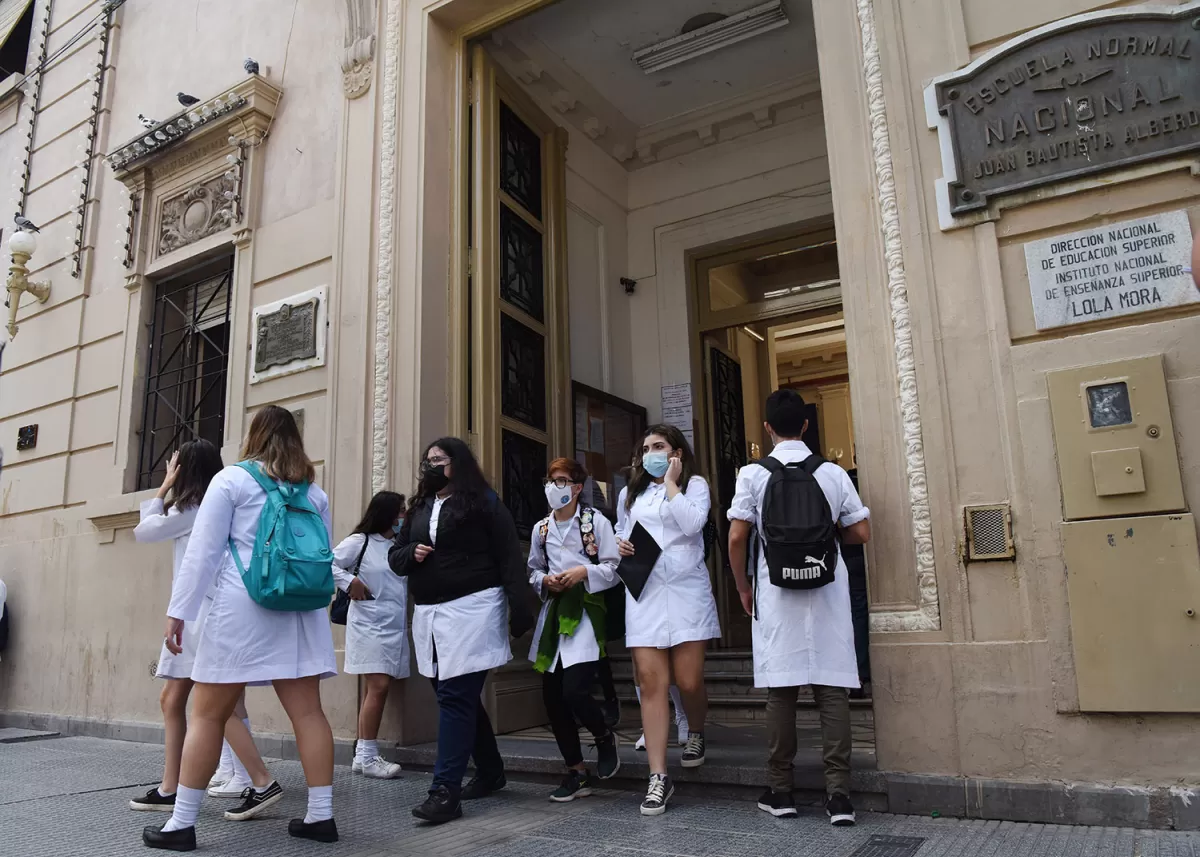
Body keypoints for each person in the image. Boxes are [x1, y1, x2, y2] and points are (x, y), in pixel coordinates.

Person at [142, 406, 339, 850]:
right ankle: (321, 816)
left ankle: (182, 824)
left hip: (242, 608)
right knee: (309, 713)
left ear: (253, 435)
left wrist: (179, 612)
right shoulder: (314, 492)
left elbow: (203, 554)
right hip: (300, 611)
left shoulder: (231, 480)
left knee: (208, 713)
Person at [726, 389, 871, 825]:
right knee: (833, 689)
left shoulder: (753, 475)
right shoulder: (832, 473)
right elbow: (861, 532)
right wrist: (824, 540)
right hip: (826, 586)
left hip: (775, 587)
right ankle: (839, 796)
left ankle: (781, 790)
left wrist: (744, 587)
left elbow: (736, 537)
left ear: (767, 428)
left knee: (781, 691)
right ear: (806, 425)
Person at [390, 438, 534, 825]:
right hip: (430, 615)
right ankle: (490, 770)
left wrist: (521, 610)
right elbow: (396, 556)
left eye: (440, 459)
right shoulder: (420, 505)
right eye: (428, 460)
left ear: (460, 463)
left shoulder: (484, 502)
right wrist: (412, 551)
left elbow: (508, 556)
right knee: (453, 694)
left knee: (456, 695)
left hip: (474, 609)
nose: (432, 465)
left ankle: (445, 791)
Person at [128, 441, 277, 816]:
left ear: (184, 470)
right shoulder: (220, 503)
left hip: (197, 616)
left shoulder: (192, 508)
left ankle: (257, 779)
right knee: (195, 701)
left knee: (210, 705)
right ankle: (209, 781)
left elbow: (144, 531)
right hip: (210, 611)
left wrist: (164, 485)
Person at [616, 424, 719, 816]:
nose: (650, 454)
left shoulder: (695, 485)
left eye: (658, 446)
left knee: (689, 679)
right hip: (645, 593)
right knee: (651, 682)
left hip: (686, 591)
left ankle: (695, 731)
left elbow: (693, 524)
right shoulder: (631, 493)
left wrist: (673, 483)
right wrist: (620, 545)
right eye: (645, 448)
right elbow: (621, 537)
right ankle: (658, 776)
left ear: (676, 451)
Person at [528, 457, 622, 801]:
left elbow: (612, 566)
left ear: (578, 487)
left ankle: (602, 735)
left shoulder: (595, 522)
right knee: (552, 699)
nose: (556, 487)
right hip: (554, 616)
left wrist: (584, 572)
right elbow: (533, 570)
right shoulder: (541, 529)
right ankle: (576, 772)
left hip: (584, 612)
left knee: (575, 690)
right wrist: (545, 581)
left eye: (563, 480)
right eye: (551, 480)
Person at [333, 490, 410, 780]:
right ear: (388, 514)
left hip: (393, 627)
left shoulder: (398, 546)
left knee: (375, 689)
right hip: (368, 625)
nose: (404, 517)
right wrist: (349, 581)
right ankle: (366, 755)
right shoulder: (360, 541)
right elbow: (327, 563)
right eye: (401, 511)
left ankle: (363, 755)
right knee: (378, 687)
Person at [844, 469, 871, 698]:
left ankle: (857, 676)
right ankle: (861, 671)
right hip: (858, 557)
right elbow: (863, 533)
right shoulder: (858, 485)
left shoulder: (838, 482)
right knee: (858, 613)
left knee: (854, 614)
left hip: (843, 559)